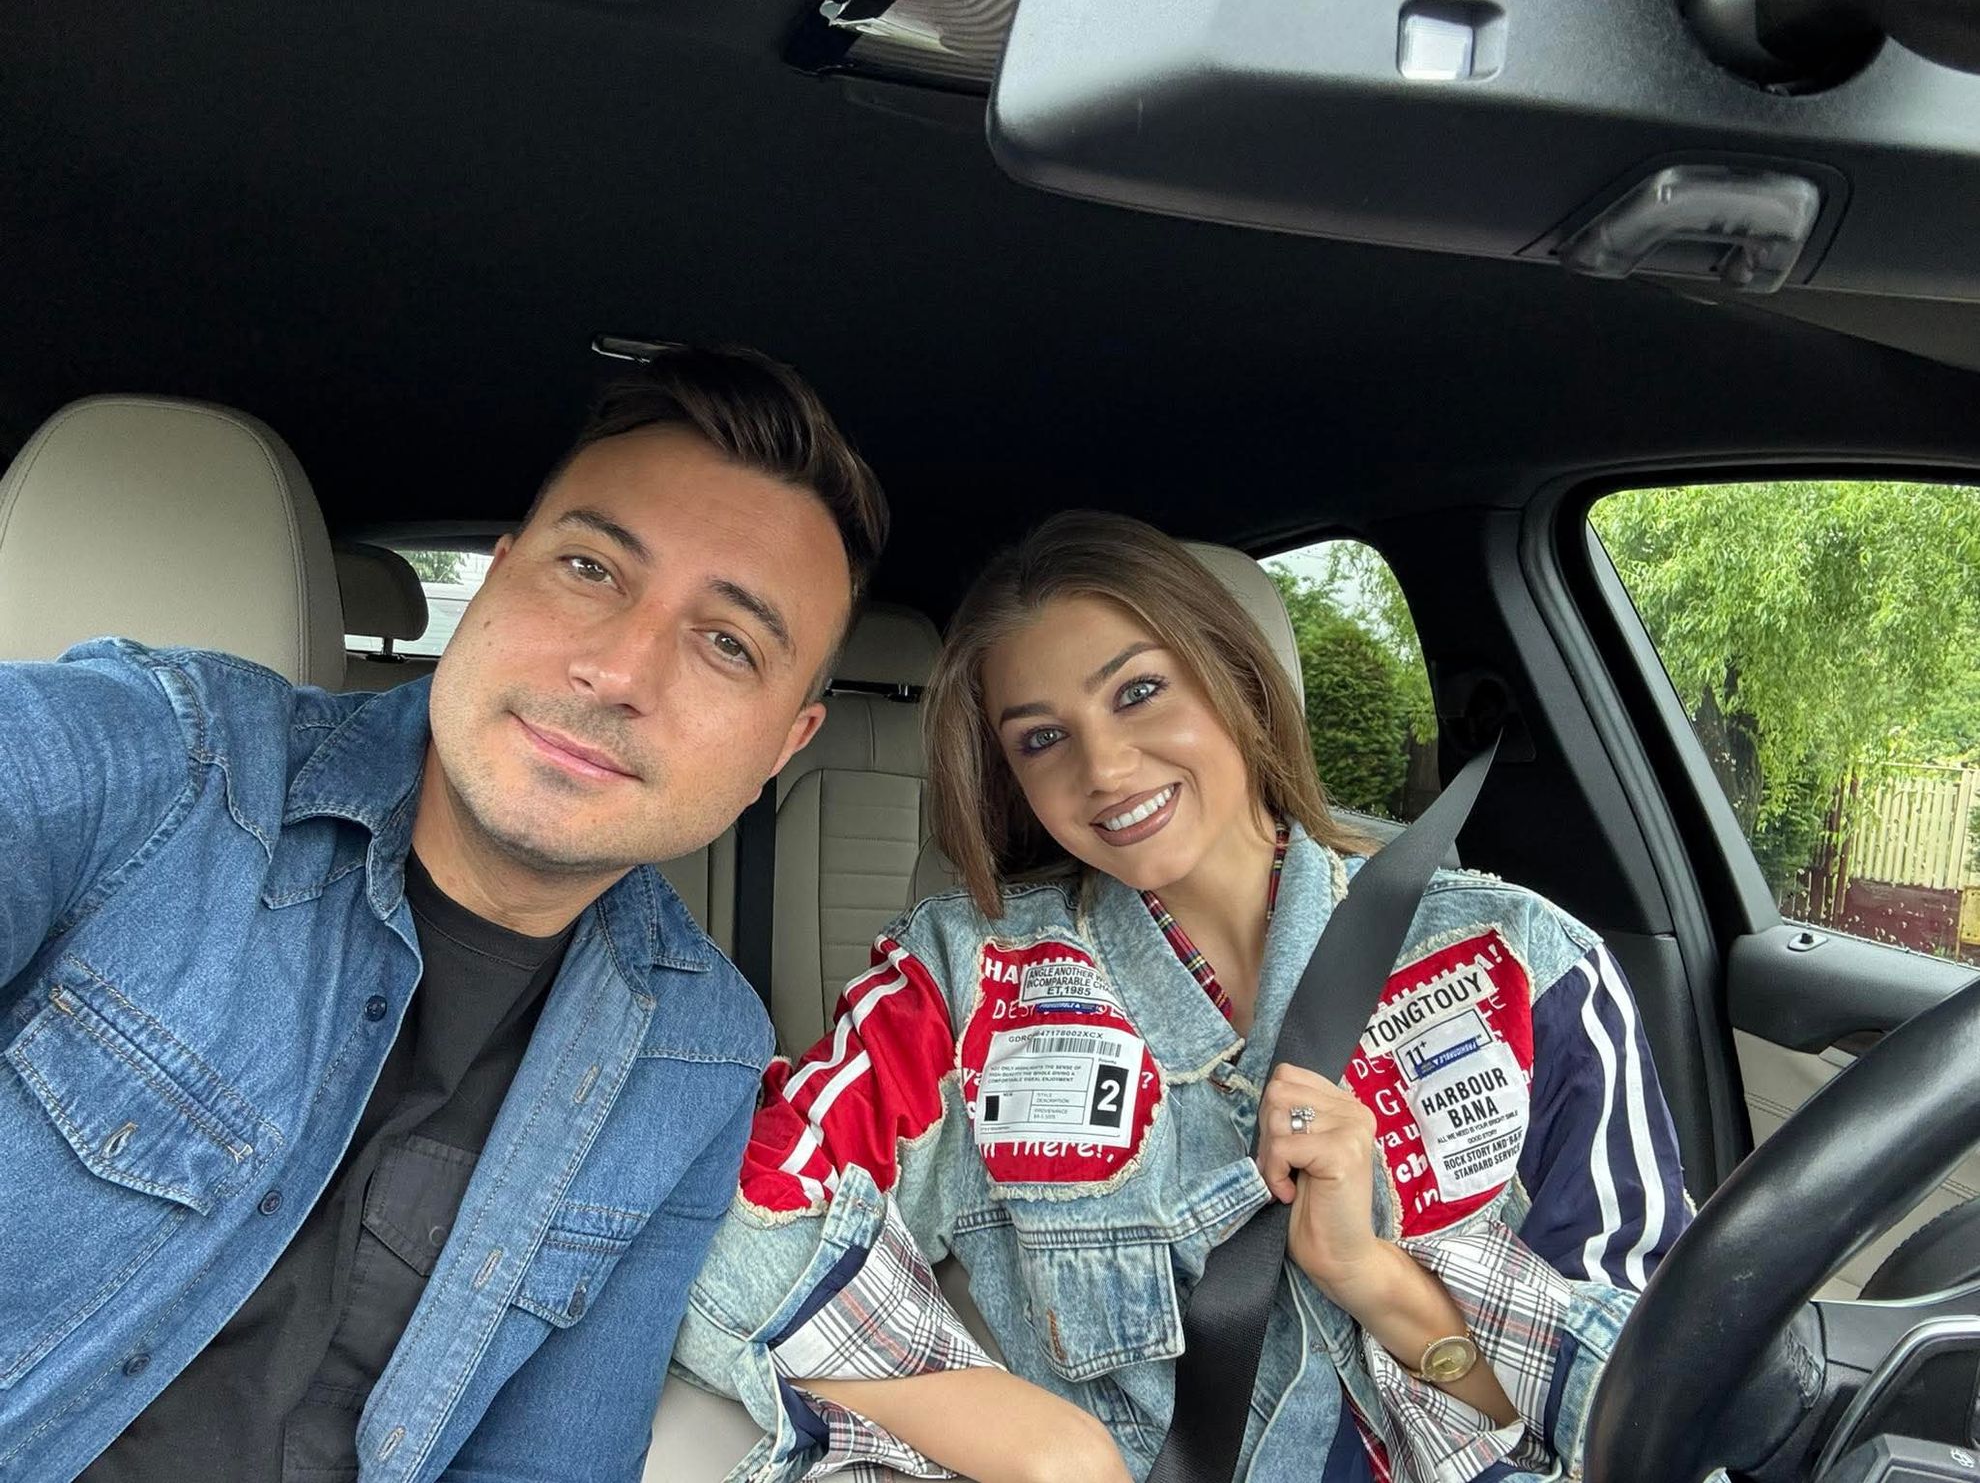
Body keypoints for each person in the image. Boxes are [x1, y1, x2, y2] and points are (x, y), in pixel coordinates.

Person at [0, 346, 888, 1482]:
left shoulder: (700, 1048)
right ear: (499, 581)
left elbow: (549, 1462)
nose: (619, 670)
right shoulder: (166, 759)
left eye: (728, 643)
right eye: (590, 568)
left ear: (784, 746)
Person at [679, 511, 1692, 1483]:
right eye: (1041, 739)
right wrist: (1036, 1445)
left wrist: (1379, 1283)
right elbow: (719, 1216)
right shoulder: (966, 983)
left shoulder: (1523, 965)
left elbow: (1660, 1402)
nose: (1106, 767)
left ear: (1235, 680)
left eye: (1139, 691)